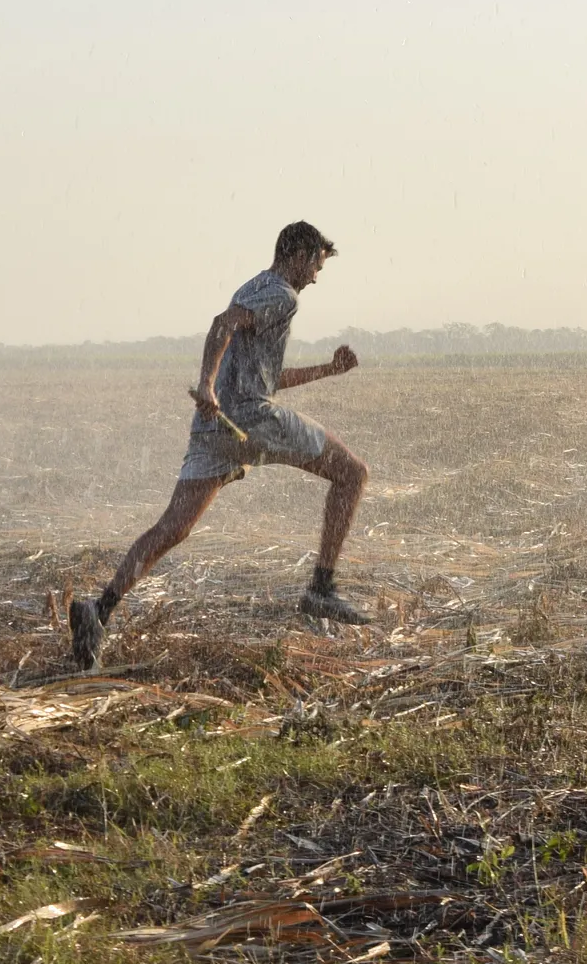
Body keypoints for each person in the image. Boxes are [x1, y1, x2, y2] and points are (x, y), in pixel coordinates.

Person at [71, 221, 369, 669]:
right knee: (352, 473)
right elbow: (222, 325)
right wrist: (206, 384)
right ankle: (321, 588)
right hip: (250, 420)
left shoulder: (253, 289)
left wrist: (328, 369)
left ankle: (100, 609)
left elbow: (267, 377)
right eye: (316, 266)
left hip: (214, 429)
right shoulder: (280, 293)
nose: (315, 278)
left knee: (171, 529)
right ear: (300, 255)